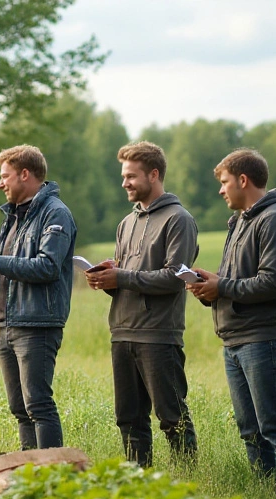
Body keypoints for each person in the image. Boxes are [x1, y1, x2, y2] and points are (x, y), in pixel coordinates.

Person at [188, 149, 276, 496]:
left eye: (225, 183)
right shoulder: (241, 220)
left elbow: (273, 282)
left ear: (243, 180)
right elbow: (239, 277)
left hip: (265, 338)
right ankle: (270, 496)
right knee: (249, 428)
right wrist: (212, 284)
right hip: (236, 338)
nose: (221, 190)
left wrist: (220, 285)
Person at [85, 141, 199, 467]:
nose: (125, 183)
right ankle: (138, 484)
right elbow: (128, 277)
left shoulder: (179, 220)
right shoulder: (126, 223)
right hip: (122, 331)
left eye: (131, 176)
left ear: (154, 174)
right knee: (129, 418)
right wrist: (106, 280)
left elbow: (176, 278)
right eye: (123, 176)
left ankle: (188, 481)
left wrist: (121, 277)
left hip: (158, 334)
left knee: (171, 416)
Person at [0, 145, 77, 450]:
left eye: (5, 176)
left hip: (37, 324)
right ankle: (29, 471)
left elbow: (48, 266)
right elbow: (11, 273)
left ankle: (53, 474)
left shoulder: (56, 213)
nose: (1, 184)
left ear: (25, 174)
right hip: (7, 324)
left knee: (38, 404)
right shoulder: (13, 218)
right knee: (19, 408)